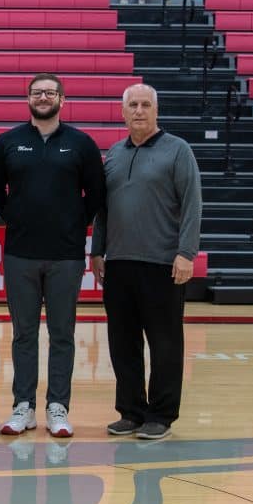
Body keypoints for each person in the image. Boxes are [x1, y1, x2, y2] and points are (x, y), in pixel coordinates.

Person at [0, 74, 105, 438]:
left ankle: (58, 406)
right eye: (37, 93)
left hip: (66, 256)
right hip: (20, 253)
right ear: (28, 98)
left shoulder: (82, 144)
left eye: (50, 92)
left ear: (62, 100)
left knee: (62, 333)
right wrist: (18, 218)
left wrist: (72, 224)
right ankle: (24, 406)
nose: (43, 97)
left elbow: (96, 195)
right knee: (23, 334)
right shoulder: (7, 142)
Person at [91, 84, 202, 441]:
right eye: (132, 105)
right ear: (123, 112)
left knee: (165, 342)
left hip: (163, 263)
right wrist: (97, 250)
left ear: (156, 110)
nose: (138, 111)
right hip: (119, 262)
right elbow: (103, 209)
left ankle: (162, 415)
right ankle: (131, 411)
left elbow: (192, 205)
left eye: (145, 105)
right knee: (123, 342)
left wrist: (187, 252)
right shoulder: (115, 154)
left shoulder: (178, 150)